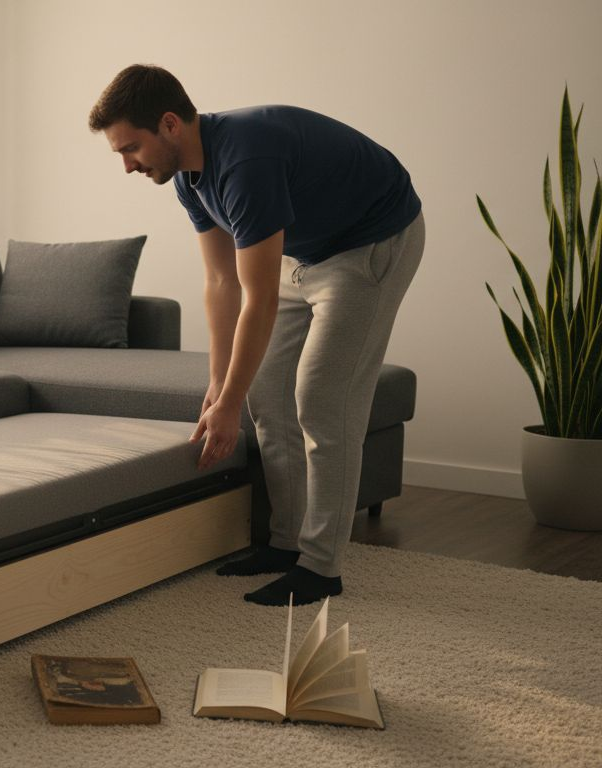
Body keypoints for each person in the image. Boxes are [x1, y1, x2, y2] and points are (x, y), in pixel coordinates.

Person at [89, 65, 424, 606]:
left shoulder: (246, 162)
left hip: (371, 243)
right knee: (266, 391)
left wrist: (227, 404)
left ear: (170, 125)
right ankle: (286, 543)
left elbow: (259, 299)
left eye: (130, 149)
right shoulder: (187, 179)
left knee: (322, 397)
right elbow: (222, 282)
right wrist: (221, 387)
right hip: (306, 253)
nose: (127, 165)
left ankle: (321, 567)